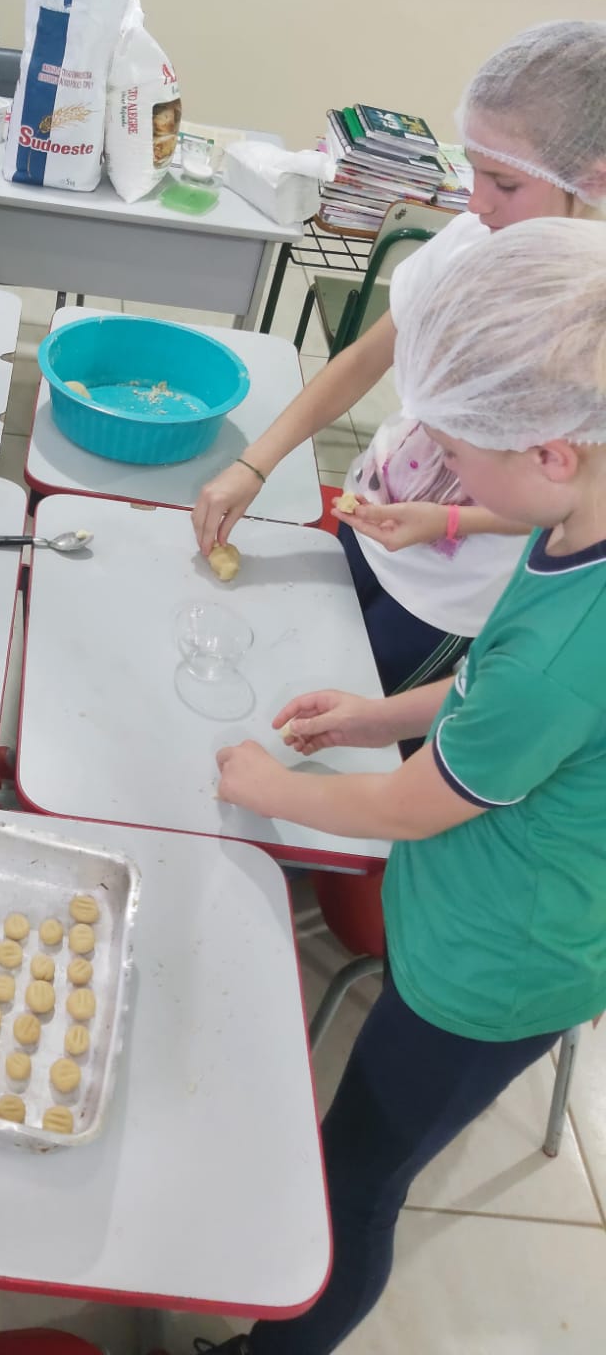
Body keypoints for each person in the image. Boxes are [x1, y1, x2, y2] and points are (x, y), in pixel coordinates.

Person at [211, 217, 606, 1355]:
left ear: (552, 451)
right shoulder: (570, 523)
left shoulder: (568, 649)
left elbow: (411, 805)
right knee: (352, 1152)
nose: (443, 474)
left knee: (359, 1176)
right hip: (469, 902)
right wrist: (377, 714)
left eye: (458, 451)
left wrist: (268, 782)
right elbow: (482, 688)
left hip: (501, 965)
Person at [193, 21, 606, 700]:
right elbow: (364, 357)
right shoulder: (473, 241)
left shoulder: (586, 324)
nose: (476, 204)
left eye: (503, 183)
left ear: (590, 177)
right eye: (473, 171)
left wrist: (448, 522)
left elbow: (575, 505)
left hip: (448, 595)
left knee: (356, 716)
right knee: (295, 664)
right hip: (374, 515)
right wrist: (253, 463)